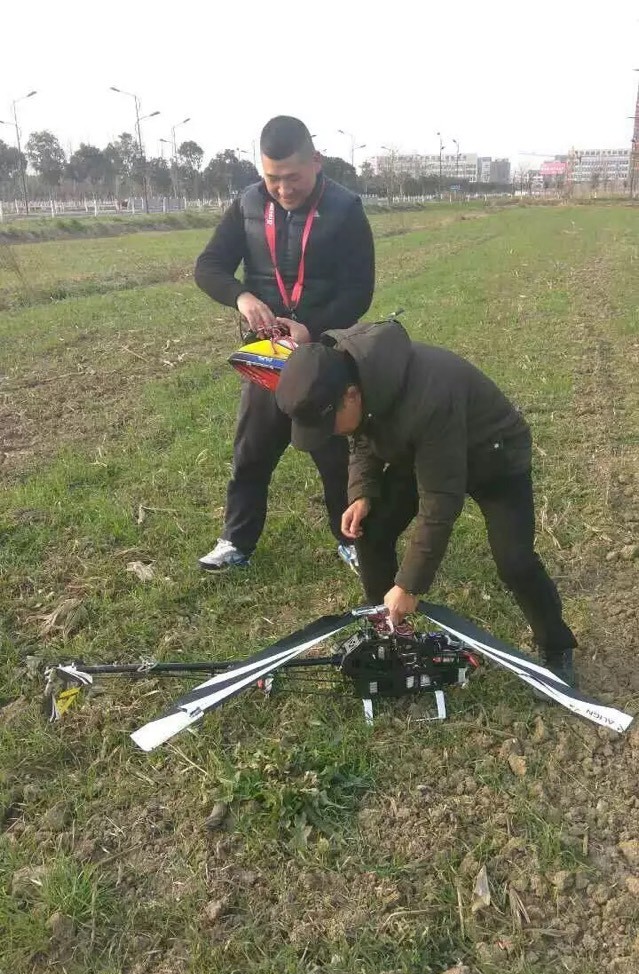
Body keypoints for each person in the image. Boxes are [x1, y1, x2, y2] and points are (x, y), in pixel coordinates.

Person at [274, 319, 577, 683]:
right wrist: (362, 493)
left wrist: (410, 585)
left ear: (351, 395)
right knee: (369, 529)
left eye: (328, 424)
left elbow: (439, 503)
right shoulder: (352, 376)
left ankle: (556, 647)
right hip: (420, 451)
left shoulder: (428, 394)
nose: (331, 435)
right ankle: (387, 632)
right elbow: (361, 435)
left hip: (493, 456)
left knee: (515, 562)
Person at [193, 115, 375, 572]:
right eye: (271, 177)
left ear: (316, 161)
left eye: (292, 177)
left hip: (324, 355)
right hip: (267, 356)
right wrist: (242, 296)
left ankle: (352, 540)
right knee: (251, 451)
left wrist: (310, 327)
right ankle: (237, 542)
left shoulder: (346, 208)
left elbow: (359, 290)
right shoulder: (247, 205)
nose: (282, 188)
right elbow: (208, 266)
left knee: (334, 455)